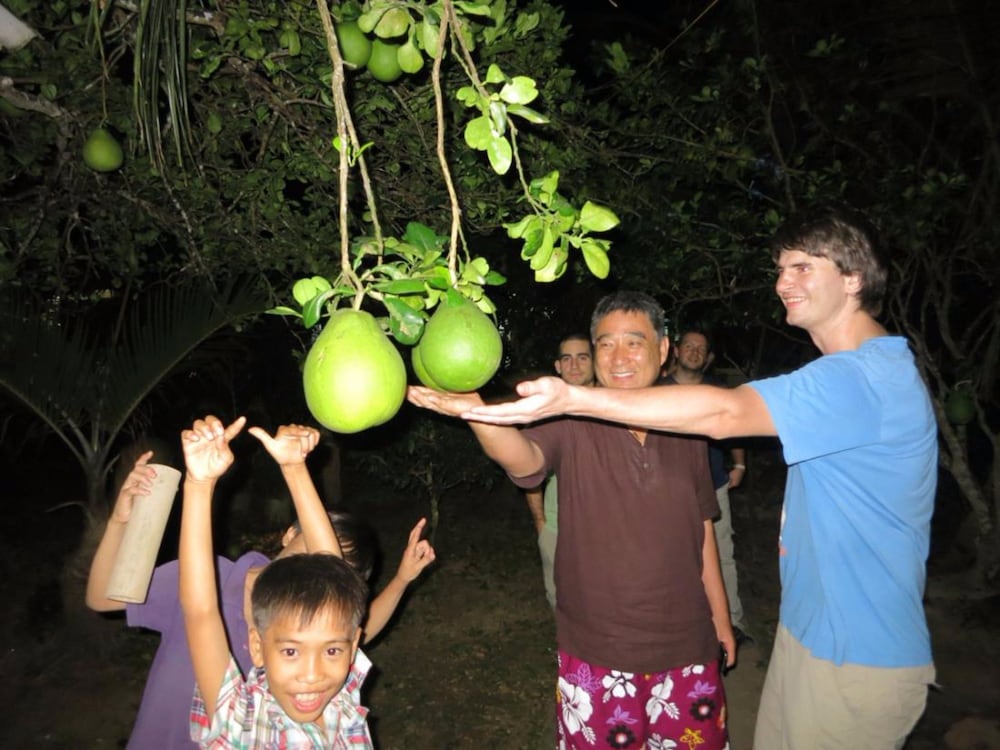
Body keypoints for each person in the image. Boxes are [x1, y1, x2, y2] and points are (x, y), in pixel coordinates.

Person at [464, 205, 937, 750]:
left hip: (855, 651)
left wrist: (573, 395)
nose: (783, 281)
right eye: (781, 268)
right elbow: (524, 460)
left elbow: (726, 416)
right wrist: (481, 410)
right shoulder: (850, 375)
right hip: (809, 636)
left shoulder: (861, 379)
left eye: (804, 267)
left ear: (854, 278)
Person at [409, 291, 733, 750]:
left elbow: (701, 529)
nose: (618, 357)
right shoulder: (574, 417)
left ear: (663, 351)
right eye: (605, 343)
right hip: (598, 651)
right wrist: (474, 410)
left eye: (633, 342)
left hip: (688, 647)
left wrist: (720, 620)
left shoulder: (687, 422)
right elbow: (522, 459)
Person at [86, 424, 435, 749]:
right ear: (258, 646)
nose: (311, 674)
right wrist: (199, 484)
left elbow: (350, 621)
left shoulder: (337, 703)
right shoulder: (247, 718)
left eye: (330, 651)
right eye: (290, 651)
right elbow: (198, 609)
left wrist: (295, 469)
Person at [663, 328, 752, 644]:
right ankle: (679, 624)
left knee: (723, 554)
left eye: (701, 348)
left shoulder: (717, 390)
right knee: (672, 557)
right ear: (676, 350)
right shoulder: (658, 390)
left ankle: (732, 623)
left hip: (712, 485)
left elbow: (735, 428)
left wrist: (739, 464)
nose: (694, 352)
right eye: (689, 346)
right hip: (667, 491)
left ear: (708, 356)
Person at [523, 332, 595, 608]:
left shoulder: (611, 406)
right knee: (561, 601)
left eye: (582, 357)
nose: (574, 365)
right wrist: (541, 522)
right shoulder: (542, 414)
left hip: (605, 532)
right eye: (567, 358)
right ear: (558, 366)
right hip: (557, 528)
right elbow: (529, 473)